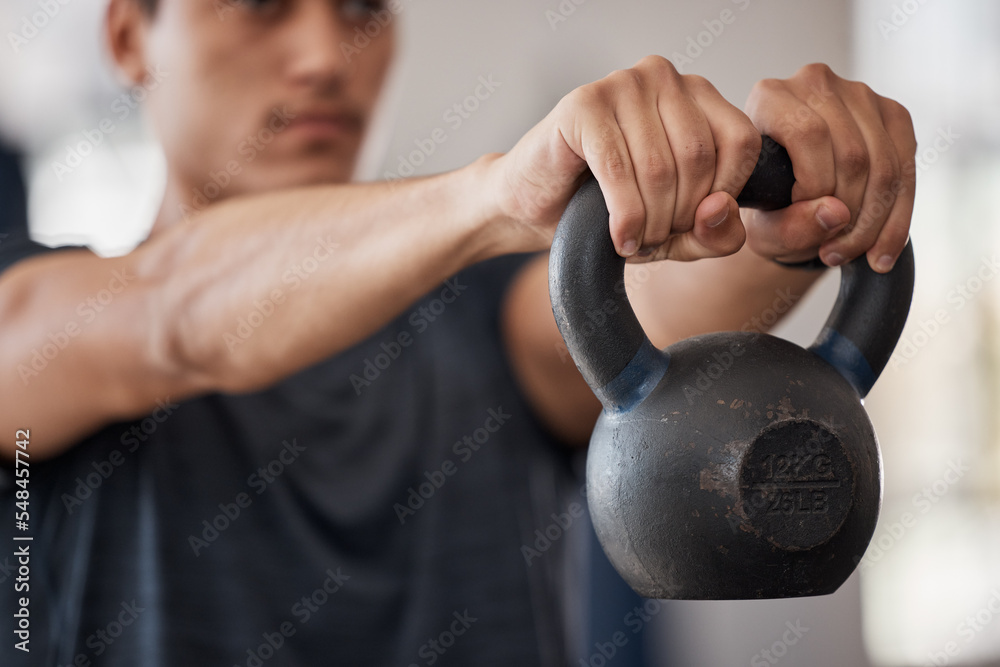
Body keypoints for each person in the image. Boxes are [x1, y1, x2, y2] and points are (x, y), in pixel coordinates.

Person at [0, 0, 916, 664]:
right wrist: (495, 193)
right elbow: (168, 312)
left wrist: (796, 210)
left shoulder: (493, 322)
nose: (326, 52)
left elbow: (671, 321)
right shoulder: (39, 311)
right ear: (128, 37)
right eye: (262, 5)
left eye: (362, 6)